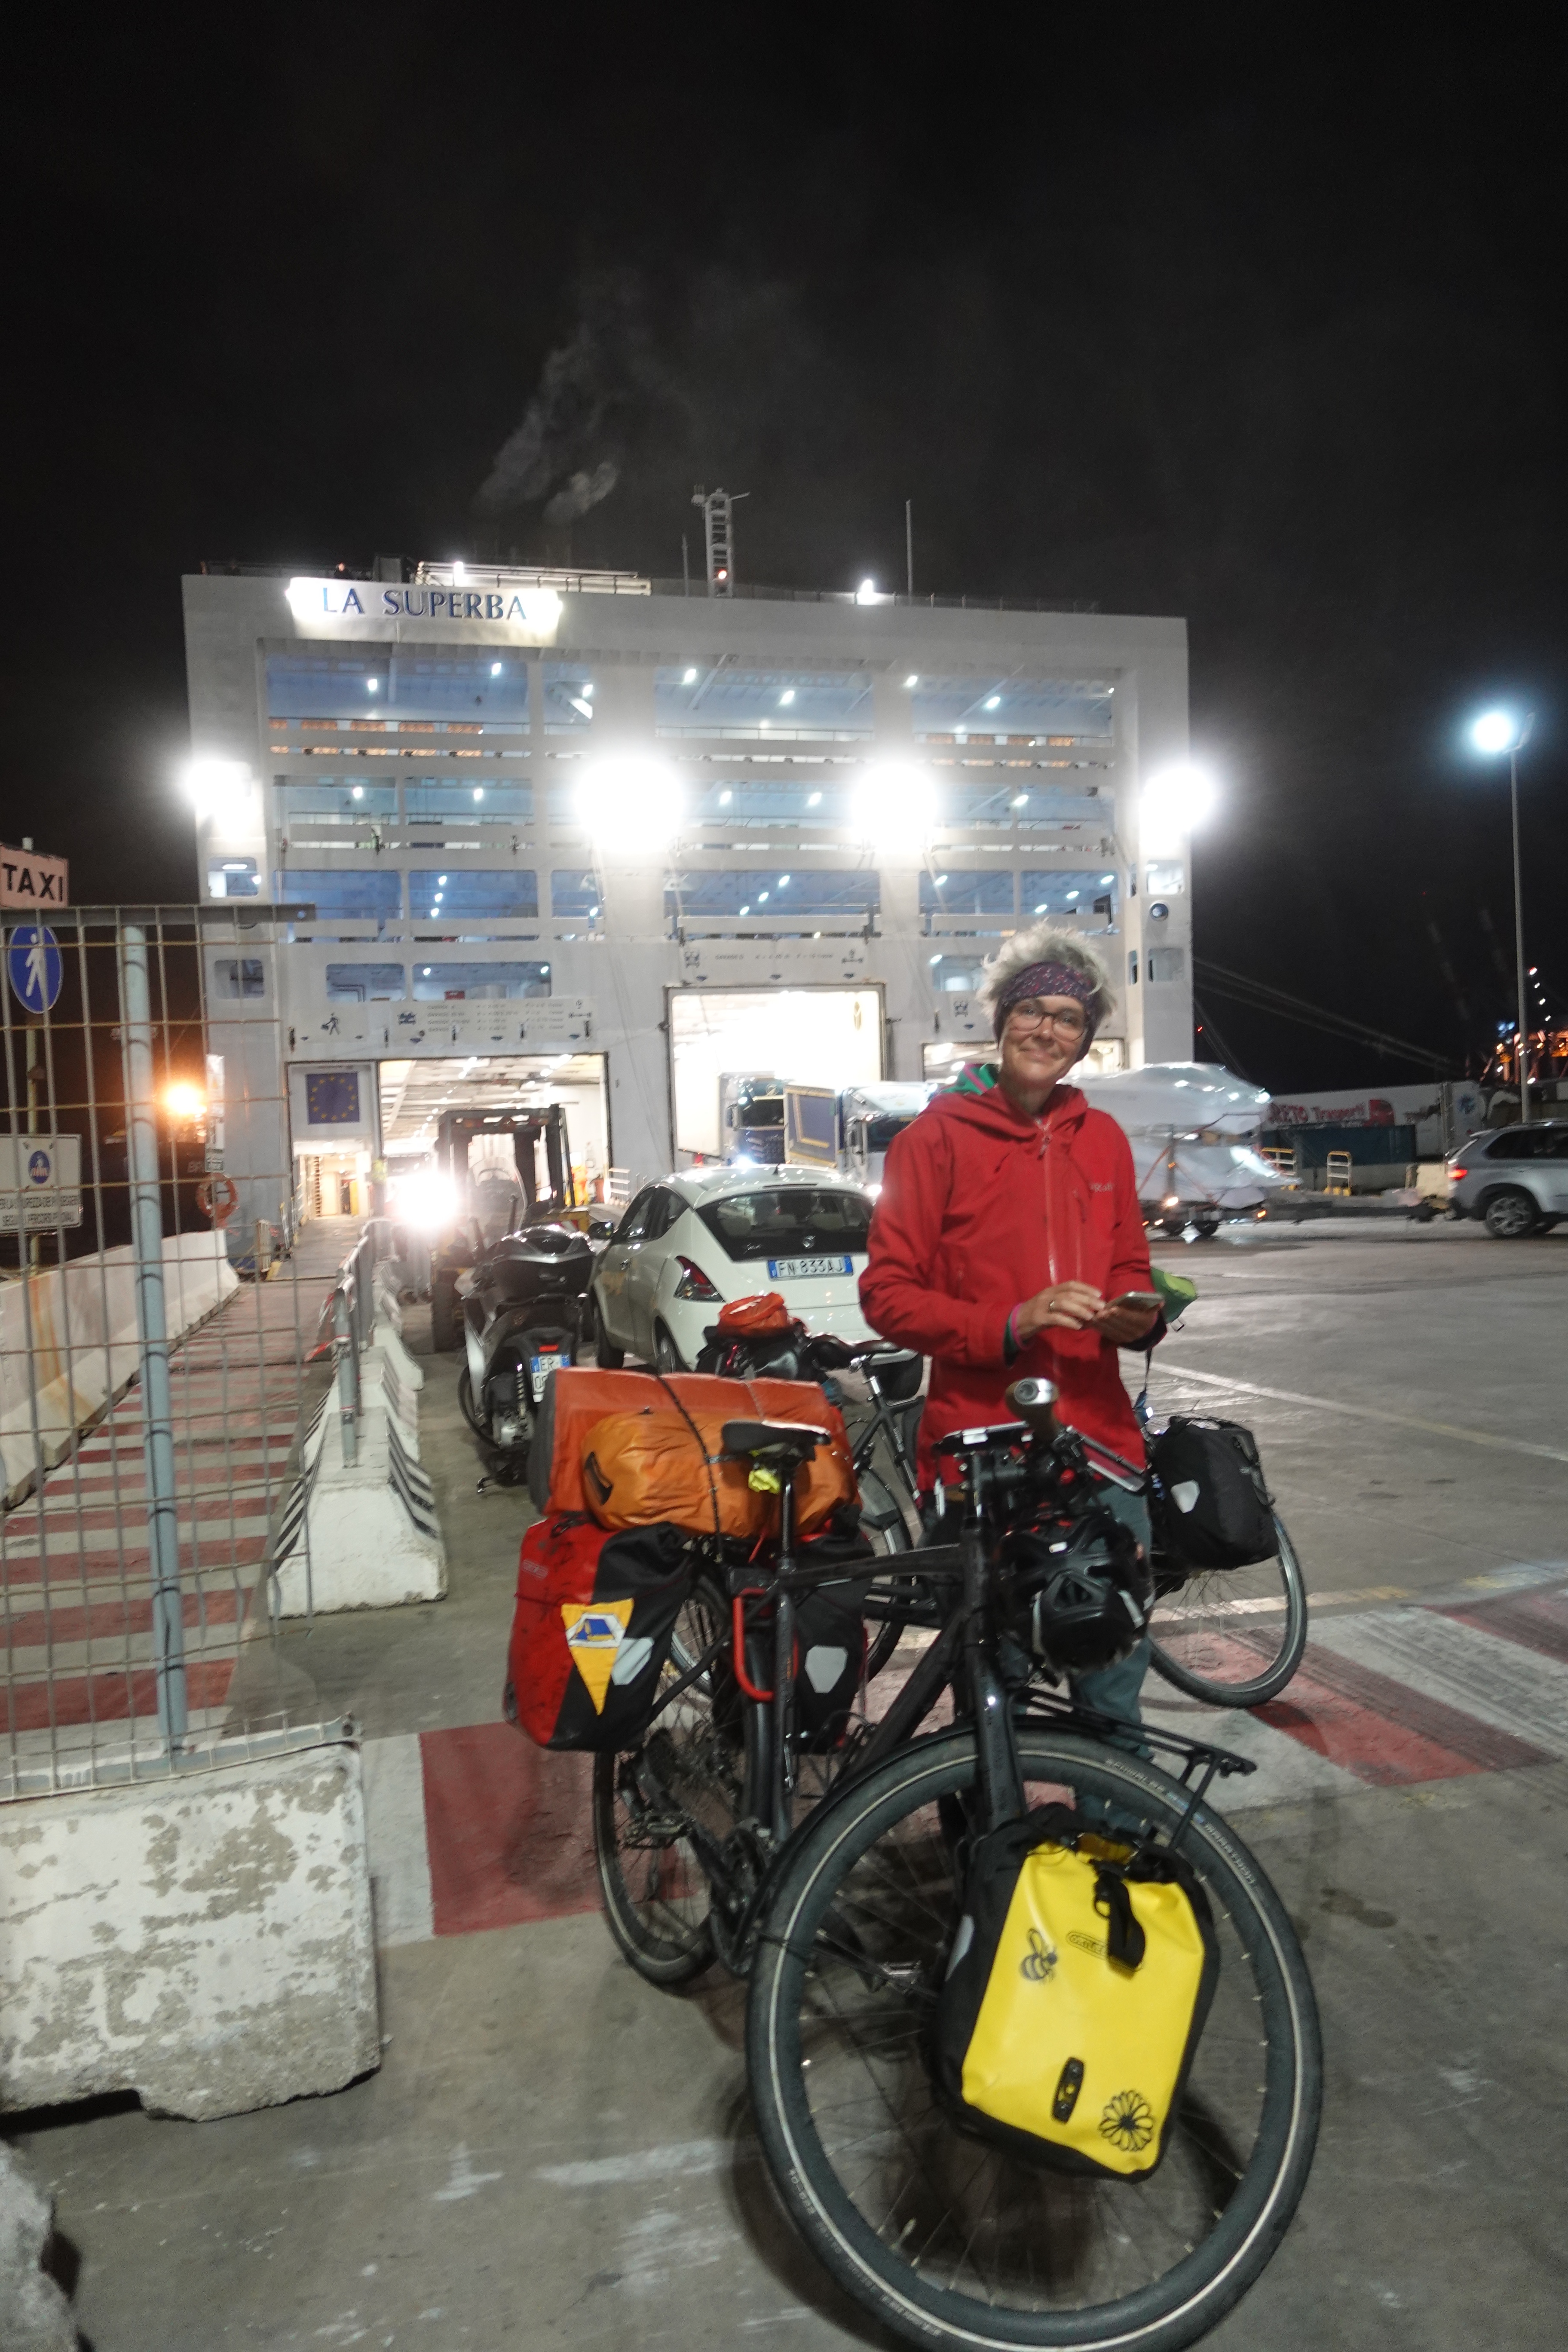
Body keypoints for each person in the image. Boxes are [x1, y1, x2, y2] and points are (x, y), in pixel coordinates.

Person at [860, 925, 1163, 1725]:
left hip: (1101, 1446)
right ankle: (994, 1809)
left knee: (1112, 1686)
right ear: (1001, 1021)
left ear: (1085, 1040)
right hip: (982, 1454)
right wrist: (1011, 1321)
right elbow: (887, 1295)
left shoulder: (1103, 1140)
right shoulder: (932, 1142)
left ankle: (1112, 1809)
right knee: (996, 1689)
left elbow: (1131, 1264)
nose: (1047, 1030)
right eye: (1033, 1011)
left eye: (1069, 1019)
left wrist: (1137, 1314)